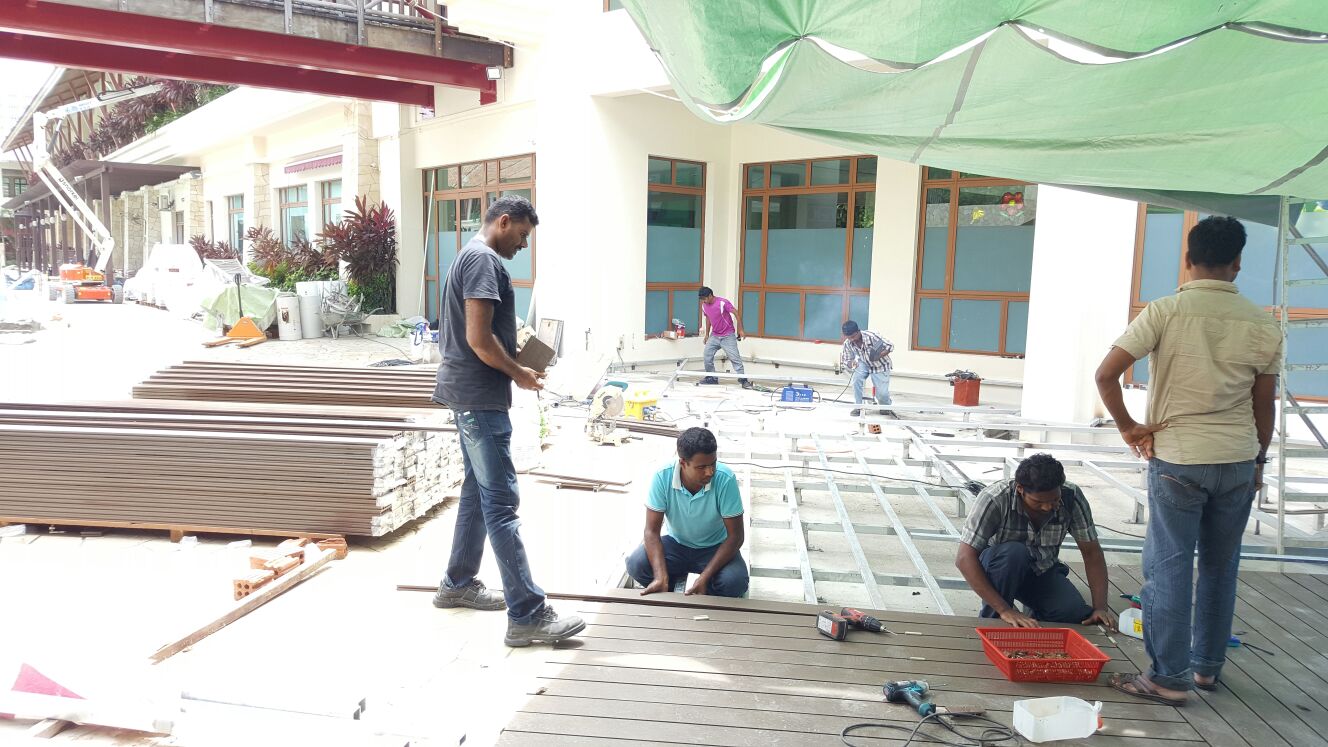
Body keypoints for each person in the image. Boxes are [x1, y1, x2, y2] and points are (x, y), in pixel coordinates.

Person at [1095, 215, 1282, 706]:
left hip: (1179, 460)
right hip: (1238, 459)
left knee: (1169, 567)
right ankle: (1205, 669)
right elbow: (1265, 405)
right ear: (1237, 263)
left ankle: (1167, 679)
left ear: (1187, 259)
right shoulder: (1264, 324)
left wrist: (1128, 427)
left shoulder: (1165, 311)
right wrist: (1258, 461)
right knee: (1221, 566)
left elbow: (1106, 375)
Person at [429, 194, 584, 648]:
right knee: (501, 503)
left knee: (477, 492)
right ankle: (527, 614)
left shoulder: (469, 255)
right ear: (503, 221)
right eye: (522, 234)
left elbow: (480, 335)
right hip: (479, 398)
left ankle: (457, 583)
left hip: (467, 393)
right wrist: (519, 373)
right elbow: (478, 339)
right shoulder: (484, 261)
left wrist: (516, 359)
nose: (523, 244)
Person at [955, 454, 1117, 631]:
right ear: (1020, 489)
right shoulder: (995, 498)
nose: (1047, 507)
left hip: (1042, 569)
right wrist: (1004, 610)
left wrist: (1100, 608)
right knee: (1014, 553)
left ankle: (1031, 620)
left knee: (1072, 612)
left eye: (1054, 500)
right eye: (1038, 502)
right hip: (1000, 570)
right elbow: (964, 558)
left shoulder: (1072, 496)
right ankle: (992, 622)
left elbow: (1092, 553)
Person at [625, 427, 749, 598]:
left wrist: (704, 577)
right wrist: (660, 576)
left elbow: (736, 536)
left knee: (735, 582)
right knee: (636, 564)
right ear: (683, 463)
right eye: (701, 467)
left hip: (714, 548)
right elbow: (651, 532)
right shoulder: (663, 477)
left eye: (713, 463)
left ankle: (702, 588)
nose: (710, 472)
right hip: (676, 544)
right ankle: (668, 584)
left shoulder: (725, 479)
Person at [698, 287, 751, 389]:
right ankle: (711, 378)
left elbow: (736, 313)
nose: (703, 301)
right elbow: (708, 318)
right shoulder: (704, 305)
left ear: (710, 295)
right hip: (715, 335)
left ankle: (743, 380)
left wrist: (740, 329)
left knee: (735, 358)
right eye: (702, 299)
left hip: (728, 335)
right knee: (707, 355)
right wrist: (707, 334)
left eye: (704, 298)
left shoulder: (723, 303)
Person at [839, 320, 894, 416]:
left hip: (880, 365)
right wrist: (851, 363)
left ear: (858, 331)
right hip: (863, 363)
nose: (852, 339)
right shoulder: (848, 343)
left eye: (853, 336)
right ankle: (858, 407)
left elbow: (890, 346)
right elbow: (846, 359)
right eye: (849, 337)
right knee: (856, 380)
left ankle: (886, 407)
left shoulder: (872, 336)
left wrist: (878, 356)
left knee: (882, 393)